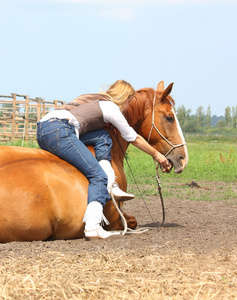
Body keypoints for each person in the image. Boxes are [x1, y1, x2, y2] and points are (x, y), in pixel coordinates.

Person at [36, 80, 171, 240]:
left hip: (44, 129)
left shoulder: (97, 102)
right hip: (60, 130)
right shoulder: (111, 108)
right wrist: (157, 155)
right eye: (129, 101)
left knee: (102, 137)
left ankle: (111, 182)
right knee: (98, 177)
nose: (128, 105)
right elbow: (132, 137)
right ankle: (92, 227)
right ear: (124, 97)